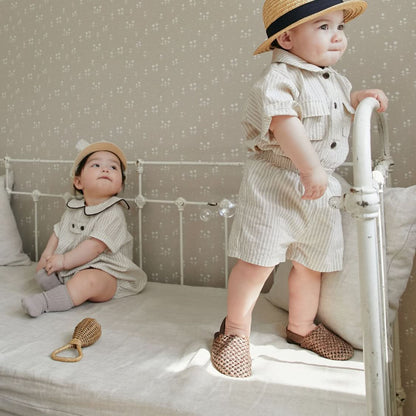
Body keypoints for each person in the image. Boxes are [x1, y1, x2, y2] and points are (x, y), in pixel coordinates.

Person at [211, 0, 388, 378]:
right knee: (257, 261)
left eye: (340, 27)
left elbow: (338, 111)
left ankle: (301, 326)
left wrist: (358, 100)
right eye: (324, 27)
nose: (338, 36)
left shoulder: (337, 80)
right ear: (287, 38)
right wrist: (310, 169)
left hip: (320, 188)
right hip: (276, 184)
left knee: (312, 264)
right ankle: (235, 331)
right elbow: (284, 123)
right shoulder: (278, 79)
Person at [21, 141, 147, 317]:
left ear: (119, 186)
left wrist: (64, 261)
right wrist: (45, 258)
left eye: (113, 167)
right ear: (78, 182)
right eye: (96, 165)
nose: (105, 169)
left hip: (109, 274)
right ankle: (63, 290)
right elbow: (58, 233)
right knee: (49, 273)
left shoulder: (113, 212)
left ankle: (45, 302)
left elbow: (95, 246)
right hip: (75, 267)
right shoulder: (73, 209)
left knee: (88, 280)